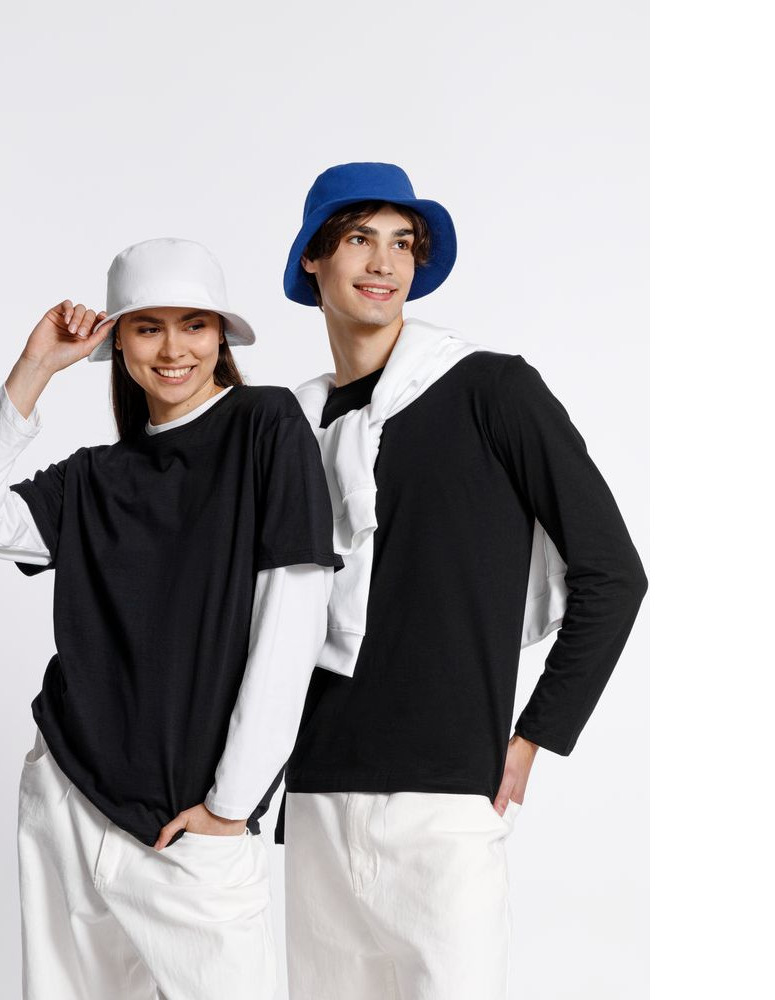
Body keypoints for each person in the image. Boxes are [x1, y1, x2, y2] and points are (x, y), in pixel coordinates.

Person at [275, 162, 648, 1000]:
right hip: (317, 795)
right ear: (312, 259)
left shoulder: (489, 389)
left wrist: (535, 736)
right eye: (359, 238)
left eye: (402, 243)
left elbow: (613, 573)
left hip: (444, 803)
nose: (384, 262)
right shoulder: (294, 425)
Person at [0, 237, 342, 1000]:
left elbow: (294, 617)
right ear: (118, 342)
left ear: (221, 337)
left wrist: (231, 805)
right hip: (69, 793)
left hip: (192, 816)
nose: (174, 349)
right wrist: (35, 368)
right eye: (148, 327)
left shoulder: (266, 423)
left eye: (195, 324)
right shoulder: (96, 477)